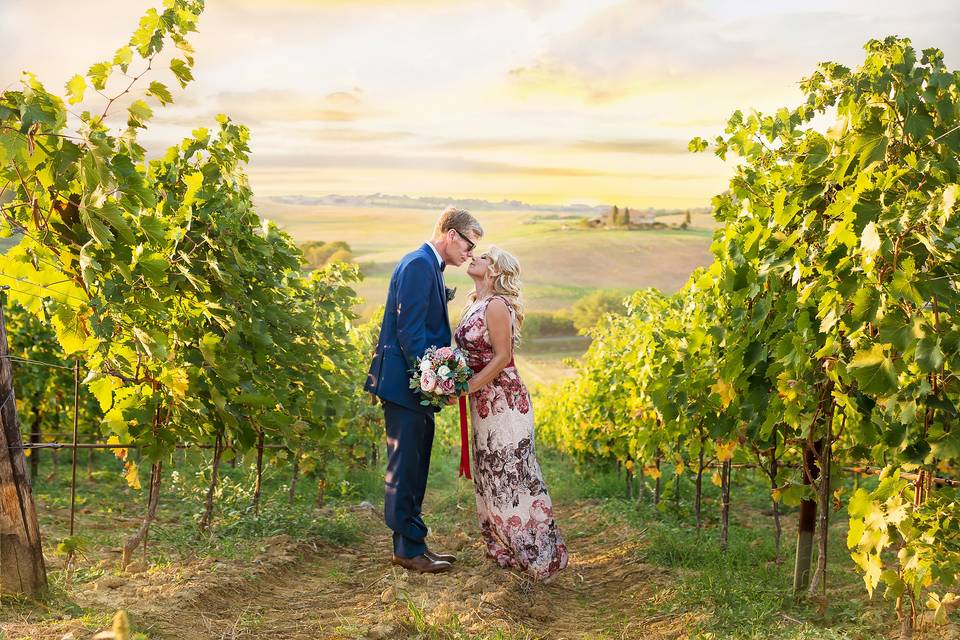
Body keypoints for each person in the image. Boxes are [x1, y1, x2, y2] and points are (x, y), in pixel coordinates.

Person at [364, 207, 483, 574]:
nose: (471, 253)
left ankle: (414, 544)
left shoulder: (429, 265)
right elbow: (410, 331)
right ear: (450, 234)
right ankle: (407, 549)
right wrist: (435, 379)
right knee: (405, 467)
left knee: (416, 466)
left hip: (413, 386)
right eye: (468, 243)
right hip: (405, 385)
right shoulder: (418, 264)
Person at [454, 246, 568, 582]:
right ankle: (503, 549)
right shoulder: (472, 302)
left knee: (513, 476)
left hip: (504, 402)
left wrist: (469, 386)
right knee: (490, 473)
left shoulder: (497, 305)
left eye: (483, 257)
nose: (474, 257)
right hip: (483, 402)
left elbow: (502, 357)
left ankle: (537, 556)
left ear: (495, 270)